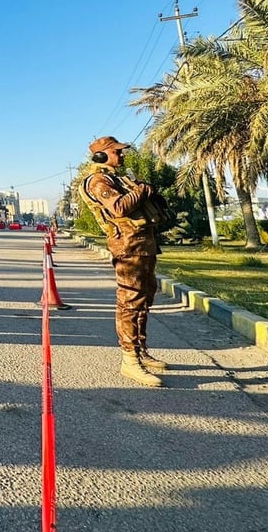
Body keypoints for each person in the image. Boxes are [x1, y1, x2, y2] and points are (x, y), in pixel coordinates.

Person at [78, 135, 169, 387]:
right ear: (101, 155)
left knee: (144, 298)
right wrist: (142, 189)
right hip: (128, 248)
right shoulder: (98, 180)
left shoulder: (117, 178)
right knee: (130, 302)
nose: (122, 155)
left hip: (143, 244)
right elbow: (118, 207)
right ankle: (129, 360)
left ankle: (140, 350)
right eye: (117, 152)